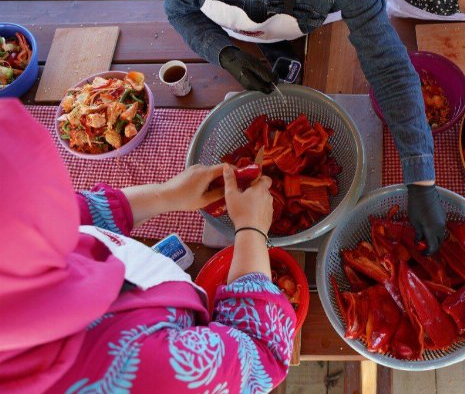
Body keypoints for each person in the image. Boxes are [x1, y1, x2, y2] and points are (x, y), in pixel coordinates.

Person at [161, 0, 446, 253]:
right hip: (234, 38)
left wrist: (421, 176)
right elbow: (181, 12)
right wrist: (224, 52)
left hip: (304, 35)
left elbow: (386, 62)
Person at [0, 99, 295, 393]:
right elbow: (262, 354)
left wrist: (167, 195)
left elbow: (80, 213)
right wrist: (252, 229)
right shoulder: (134, 371)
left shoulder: (16, 254)